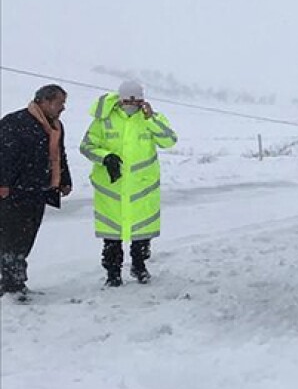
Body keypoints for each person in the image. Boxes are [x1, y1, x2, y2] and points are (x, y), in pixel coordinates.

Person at [79, 80, 177, 286]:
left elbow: (169, 140)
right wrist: (105, 157)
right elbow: (87, 146)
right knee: (112, 235)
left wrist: (151, 119)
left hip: (142, 187)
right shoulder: (103, 120)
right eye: (128, 99)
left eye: (137, 99)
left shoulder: (151, 117)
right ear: (120, 98)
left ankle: (139, 267)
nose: (132, 103)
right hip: (111, 187)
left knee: (141, 233)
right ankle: (113, 274)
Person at [0, 84, 72, 298]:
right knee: (12, 238)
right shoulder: (15, 122)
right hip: (15, 192)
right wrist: (3, 183)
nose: (63, 108)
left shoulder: (57, 126)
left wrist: (65, 180)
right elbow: (3, 156)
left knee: (27, 237)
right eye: (60, 103)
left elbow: (59, 155)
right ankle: (11, 285)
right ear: (45, 101)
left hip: (39, 191)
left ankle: (17, 282)